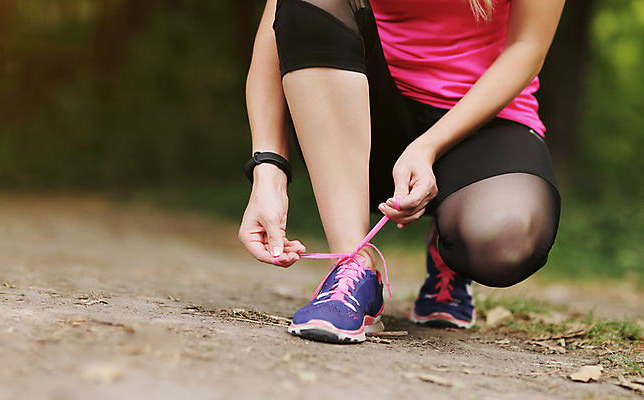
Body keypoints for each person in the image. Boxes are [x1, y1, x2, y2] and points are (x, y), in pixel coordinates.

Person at [238, 0, 564, 344]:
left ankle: (448, 242)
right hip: (361, 106)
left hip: (485, 119)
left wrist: (427, 147)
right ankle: (354, 265)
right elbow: (278, 29)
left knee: (505, 242)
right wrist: (268, 171)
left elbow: (527, 46)